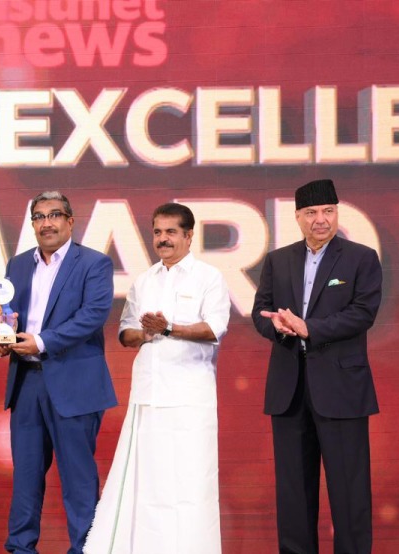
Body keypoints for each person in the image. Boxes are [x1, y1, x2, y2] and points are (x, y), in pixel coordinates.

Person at [84, 203, 231, 553]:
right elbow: (125, 333)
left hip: (189, 399)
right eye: (157, 232)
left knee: (190, 487)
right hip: (148, 397)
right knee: (149, 487)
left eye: (171, 232)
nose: (162, 240)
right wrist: (147, 334)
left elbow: (214, 329)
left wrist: (169, 328)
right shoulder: (144, 281)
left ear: (189, 236)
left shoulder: (209, 277)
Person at [250, 179, 382, 554]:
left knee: (349, 492)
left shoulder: (360, 257)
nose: (320, 220)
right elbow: (261, 312)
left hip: (341, 388)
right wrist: (276, 327)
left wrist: (311, 328)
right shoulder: (278, 260)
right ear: (297, 217)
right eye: (311, 213)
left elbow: (362, 313)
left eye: (328, 211)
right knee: (293, 494)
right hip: (288, 389)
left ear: (338, 213)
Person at [0, 190, 117, 554]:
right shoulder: (17, 265)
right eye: (39, 216)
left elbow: (93, 316)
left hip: (74, 382)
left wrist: (42, 342)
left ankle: (86, 548)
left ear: (70, 221)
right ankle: (20, 548)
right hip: (27, 381)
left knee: (78, 479)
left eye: (54, 215)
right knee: (26, 478)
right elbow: (8, 316)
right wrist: (1, 337)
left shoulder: (94, 263)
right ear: (32, 223)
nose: (46, 223)